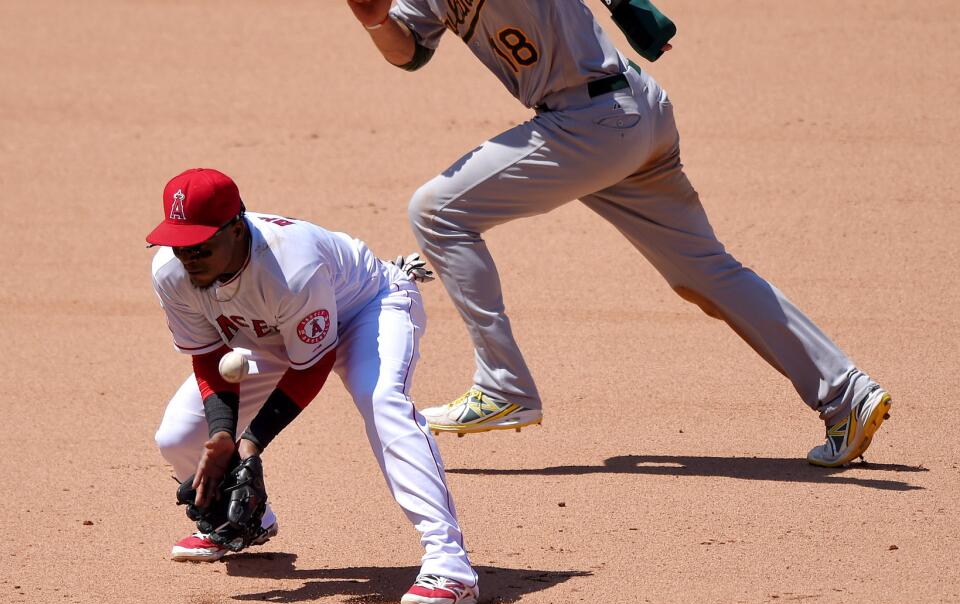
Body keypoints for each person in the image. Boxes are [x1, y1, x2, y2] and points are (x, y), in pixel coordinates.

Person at [346, 0, 891, 467]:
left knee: (437, 212)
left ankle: (503, 386)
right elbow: (410, 52)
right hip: (621, 114)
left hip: (595, 120)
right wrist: (373, 19)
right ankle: (847, 394)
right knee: (706, 272)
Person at [148, 167, 479, 604]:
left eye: (201, 244)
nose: (189, 256)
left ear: (236, 226)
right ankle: (250, 523)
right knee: (177, 438)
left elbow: (312, 363)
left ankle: (450, 566)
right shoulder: (171, 272)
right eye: (179, 244)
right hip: (271, 334)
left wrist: (251, 443)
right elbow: (209, 355)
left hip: (367, 308)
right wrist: (224, 434)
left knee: (383, 403)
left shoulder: (290, 265)